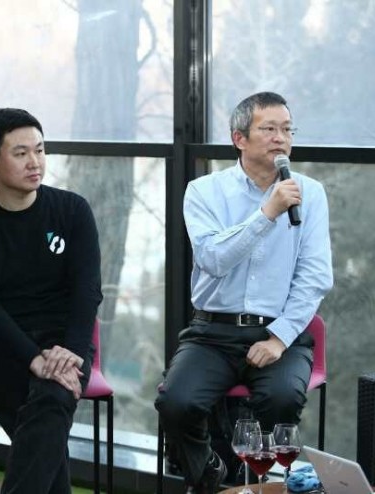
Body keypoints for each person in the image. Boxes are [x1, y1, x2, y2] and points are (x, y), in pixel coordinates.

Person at [154, 92, 333, 493]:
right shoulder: (204, 191)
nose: (280, 138)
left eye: (287, 129)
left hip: (278, 332)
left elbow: (315, 276)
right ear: (239, 138)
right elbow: (213, 259)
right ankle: (212, 478)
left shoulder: (310, 192)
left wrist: (279, 338)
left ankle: (261, 483)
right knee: (176, 403)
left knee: (282, 400)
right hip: (212, 333)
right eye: (268, 129)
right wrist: (267, 214)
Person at [0, 108, 103, 493]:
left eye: (40, 150)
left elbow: (87, 292)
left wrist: (70, 353)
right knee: (49, 417)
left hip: (65, 345)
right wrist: (34, 358)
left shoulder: (72, 211)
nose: (35, 162)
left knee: (51, 399)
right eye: (20, 153)